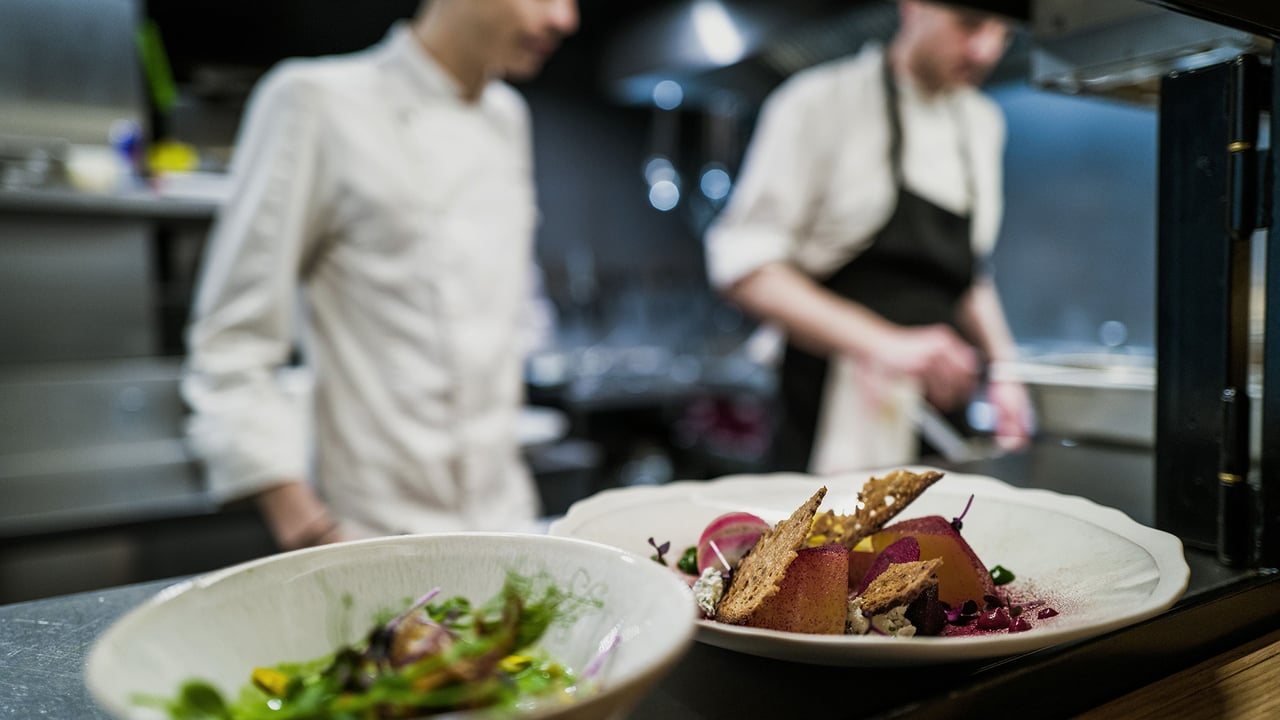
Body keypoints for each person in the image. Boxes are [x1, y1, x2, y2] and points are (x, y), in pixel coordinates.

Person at [181, 0, 579, 550]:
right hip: (372, 536)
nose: (564, 19)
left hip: (507, 525)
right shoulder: (315, 100)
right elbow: (232, 340)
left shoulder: (508, 117)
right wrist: (308, 526)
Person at [703, 0, 1033, 474]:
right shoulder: (818, 101)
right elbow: (744, 265)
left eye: (1004, 33)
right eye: (970, 24)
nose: (986, 51)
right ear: (913, 7)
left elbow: (968, 272)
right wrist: (883, 343)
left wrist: (1005, 370)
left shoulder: (983, 124)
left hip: (936, 417)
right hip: (830, 415)